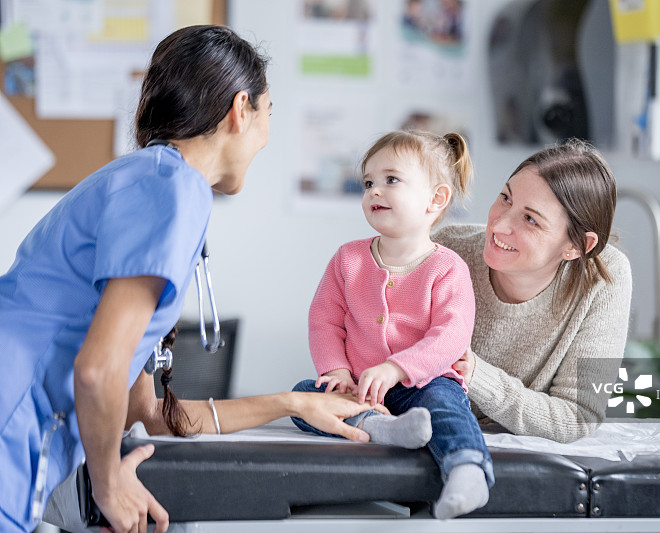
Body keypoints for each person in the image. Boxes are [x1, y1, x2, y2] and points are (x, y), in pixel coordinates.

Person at [0, 25, 384, 533]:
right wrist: (108, 483)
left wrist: (291, 404)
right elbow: (97, 371)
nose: (267, 134)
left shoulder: (152, 179)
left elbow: (147, 413)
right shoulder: (173, 188)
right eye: (269, 113)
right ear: (241, 108)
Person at [291, 130, 494, 519]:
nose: (375, 192)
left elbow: (451, 335)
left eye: (391, 180)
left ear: (436, 199)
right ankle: (381, 428)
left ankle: (468, 470)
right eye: (369, 183)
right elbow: (325, 320)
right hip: (360, 389)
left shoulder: (448, 267)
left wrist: (395, 368)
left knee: (447, 408)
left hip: (425, 383)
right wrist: (336, 371)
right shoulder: (347, 259)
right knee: (302, 396)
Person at [436, 138, 632, 443]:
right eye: (505, 198)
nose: (499, 226)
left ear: (577, 246)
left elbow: (579, 417)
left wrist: (475, 375)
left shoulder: (604, 278)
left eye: (530, 219)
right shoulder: (446, 249)